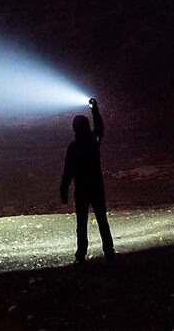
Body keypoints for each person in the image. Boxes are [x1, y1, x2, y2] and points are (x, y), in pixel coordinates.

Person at [60, 97, 115, 264]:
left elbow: (68, 171)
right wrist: (95, 110)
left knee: (81, 222)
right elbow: (99, 129)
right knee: (102, 220)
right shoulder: (94, 142)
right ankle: (109, 251)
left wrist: (63, 190)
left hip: (82, 189)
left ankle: (81, 254)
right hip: (97, 187)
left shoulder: (73, 147)